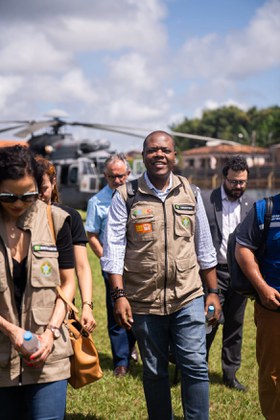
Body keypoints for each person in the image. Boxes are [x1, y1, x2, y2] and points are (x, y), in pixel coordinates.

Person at [101, 131, 221, 419]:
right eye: (153, 150)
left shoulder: (191, 193)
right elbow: (114, 249)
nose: (159, 155)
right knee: (154, 370)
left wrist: (213, 292)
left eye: (165, 150)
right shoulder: (126, 196)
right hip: (144, 299)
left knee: (194, 365)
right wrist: (118, 295)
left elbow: (204, 246)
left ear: (174, 156)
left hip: (188, 295)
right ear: (143, 157)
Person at [0, 145, 76, 420]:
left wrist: (51, 333)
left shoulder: (56, 220)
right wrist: (11, 331)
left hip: (49, 355)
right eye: (9, 196)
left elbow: (68, 283)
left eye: (28, 195)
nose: (19, 203)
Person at [202, 155, 254, 391]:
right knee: (208, 321)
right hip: (214, 275)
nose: (238, 186)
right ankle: (196, 369)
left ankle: (230, 374)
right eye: (234, 182)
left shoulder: (251, 204)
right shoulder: (207, 201)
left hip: (240, 277)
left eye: (242, 182)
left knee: (235, 325)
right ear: (225, 178)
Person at [85, 154, 137, 377]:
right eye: (112, 177)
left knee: (139, 311)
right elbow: (92, 234)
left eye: (121, 176)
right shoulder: (97, 201)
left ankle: (132, 348)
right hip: (113, 268)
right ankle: (121, 361)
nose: (117, 181)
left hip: (137, 266)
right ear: (105, 176)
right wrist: (106, 260)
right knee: (117, 312)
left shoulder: (137, 197)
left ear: (128, 174)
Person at [36, 156, 96, 332]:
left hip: (61, 302)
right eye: (33, 190)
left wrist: (87, 305)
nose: (38, 195)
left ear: (54, 183)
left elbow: (82, 266)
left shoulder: (68, 217)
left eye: (43, 189)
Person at [235, 193, 280, 419]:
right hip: (274, 309)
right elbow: (243, 248)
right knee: (272, 374)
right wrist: (262, 288)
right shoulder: (265, 209)